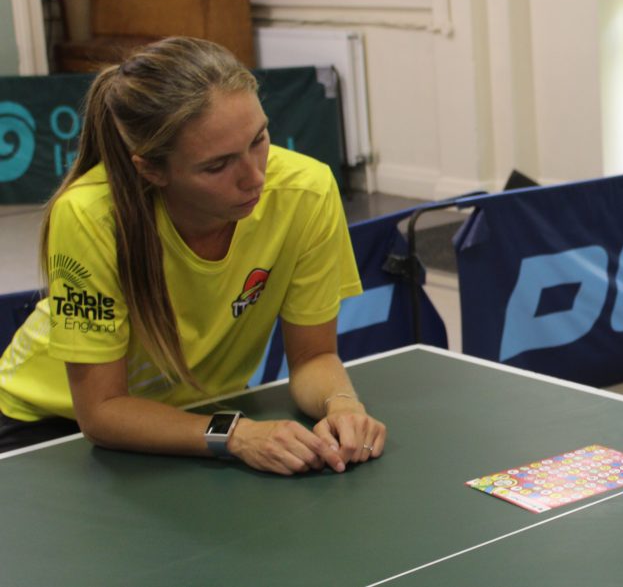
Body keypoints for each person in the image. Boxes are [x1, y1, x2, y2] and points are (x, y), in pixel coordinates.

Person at [0, 36, 386, 475]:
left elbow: (313, 359)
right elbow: (101, 411)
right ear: (151, 169)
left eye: (259, 139)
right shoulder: (90, 214)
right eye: (217, 166)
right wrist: (236, 435)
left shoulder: (307, 191)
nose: (254, 177)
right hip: (44, 426)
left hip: (199, 419)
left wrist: (342, 405)